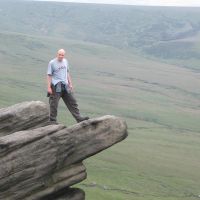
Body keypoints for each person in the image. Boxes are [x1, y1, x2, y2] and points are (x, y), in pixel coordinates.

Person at [47, 49, 89, 123]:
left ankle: (78, 118)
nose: (61, 56)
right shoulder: (52, 63)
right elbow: (49, 75)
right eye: (59, 54)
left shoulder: (65, 61)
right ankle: (52, 121)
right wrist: (49, 87)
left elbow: (67, 73)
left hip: (65, 85)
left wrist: (70, 83)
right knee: (54, 103)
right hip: (57, 85)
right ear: (57, 54)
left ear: (64, 55)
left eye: (62, 55)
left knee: (72, 101)